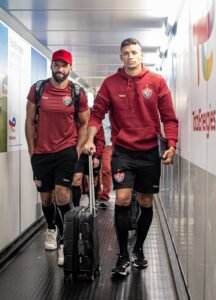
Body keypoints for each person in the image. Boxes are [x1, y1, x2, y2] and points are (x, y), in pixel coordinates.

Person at [84, 38, 178, 278]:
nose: (130, 56)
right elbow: (96, 115)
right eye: (126, 53)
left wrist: (172, 144)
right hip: (123, 152)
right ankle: (123, 255)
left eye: (134, 52)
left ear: (141, 55)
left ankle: (138, 249)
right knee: (123, 199)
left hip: (149, 153)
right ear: (121, 57)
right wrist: (89, 139)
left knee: (146, 202)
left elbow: (169, 117)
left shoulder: (156, 82)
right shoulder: (110, 84)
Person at [25, 49, 89, 266]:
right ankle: (51, 229)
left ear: (70, 68)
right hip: (41, 153)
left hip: (65, 151)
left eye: (64, 65)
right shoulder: (38, 88)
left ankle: (65, 241)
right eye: (56, 65)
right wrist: (31, 150)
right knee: (46, 198)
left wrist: (77, 149)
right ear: (51, 66)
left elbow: (84, 124)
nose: (59, 69)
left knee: (62, 195)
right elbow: (29, 120)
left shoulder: (77, 92)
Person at [72, 124, 105, 207]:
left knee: (93, 180)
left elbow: (100, 140)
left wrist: (97, 156)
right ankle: (76, 207)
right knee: (76, 178)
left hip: (93, 154)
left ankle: (93, 203)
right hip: (79, 153)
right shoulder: (75, 119)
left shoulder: (95, 122)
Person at [96, 113, 112, 208]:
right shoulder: (94, 110)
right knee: (95, 169)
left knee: (106, 168)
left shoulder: (111, 111)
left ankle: (105, 196)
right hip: (96, 143)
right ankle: (97, 194)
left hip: (107, 144)